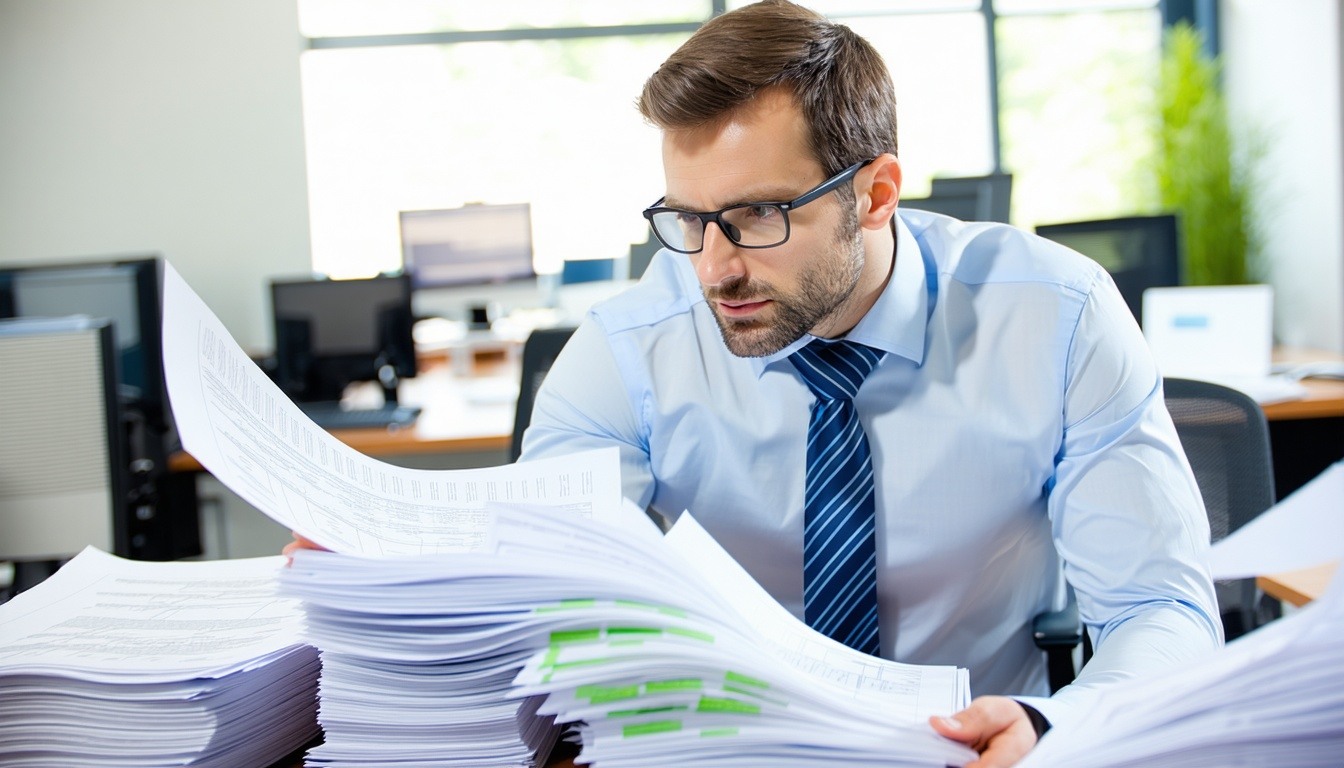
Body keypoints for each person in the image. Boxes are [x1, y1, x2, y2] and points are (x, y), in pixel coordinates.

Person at [291, 2, 1222, 765]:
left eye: (756, 216)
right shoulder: (628, 350)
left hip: (969, 748)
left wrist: (1057, 725)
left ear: (876, 192)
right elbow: (538, 583)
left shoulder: (1054, 316)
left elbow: (1161, 609)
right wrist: (394, 586)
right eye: (688, 220)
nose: (713, 270)